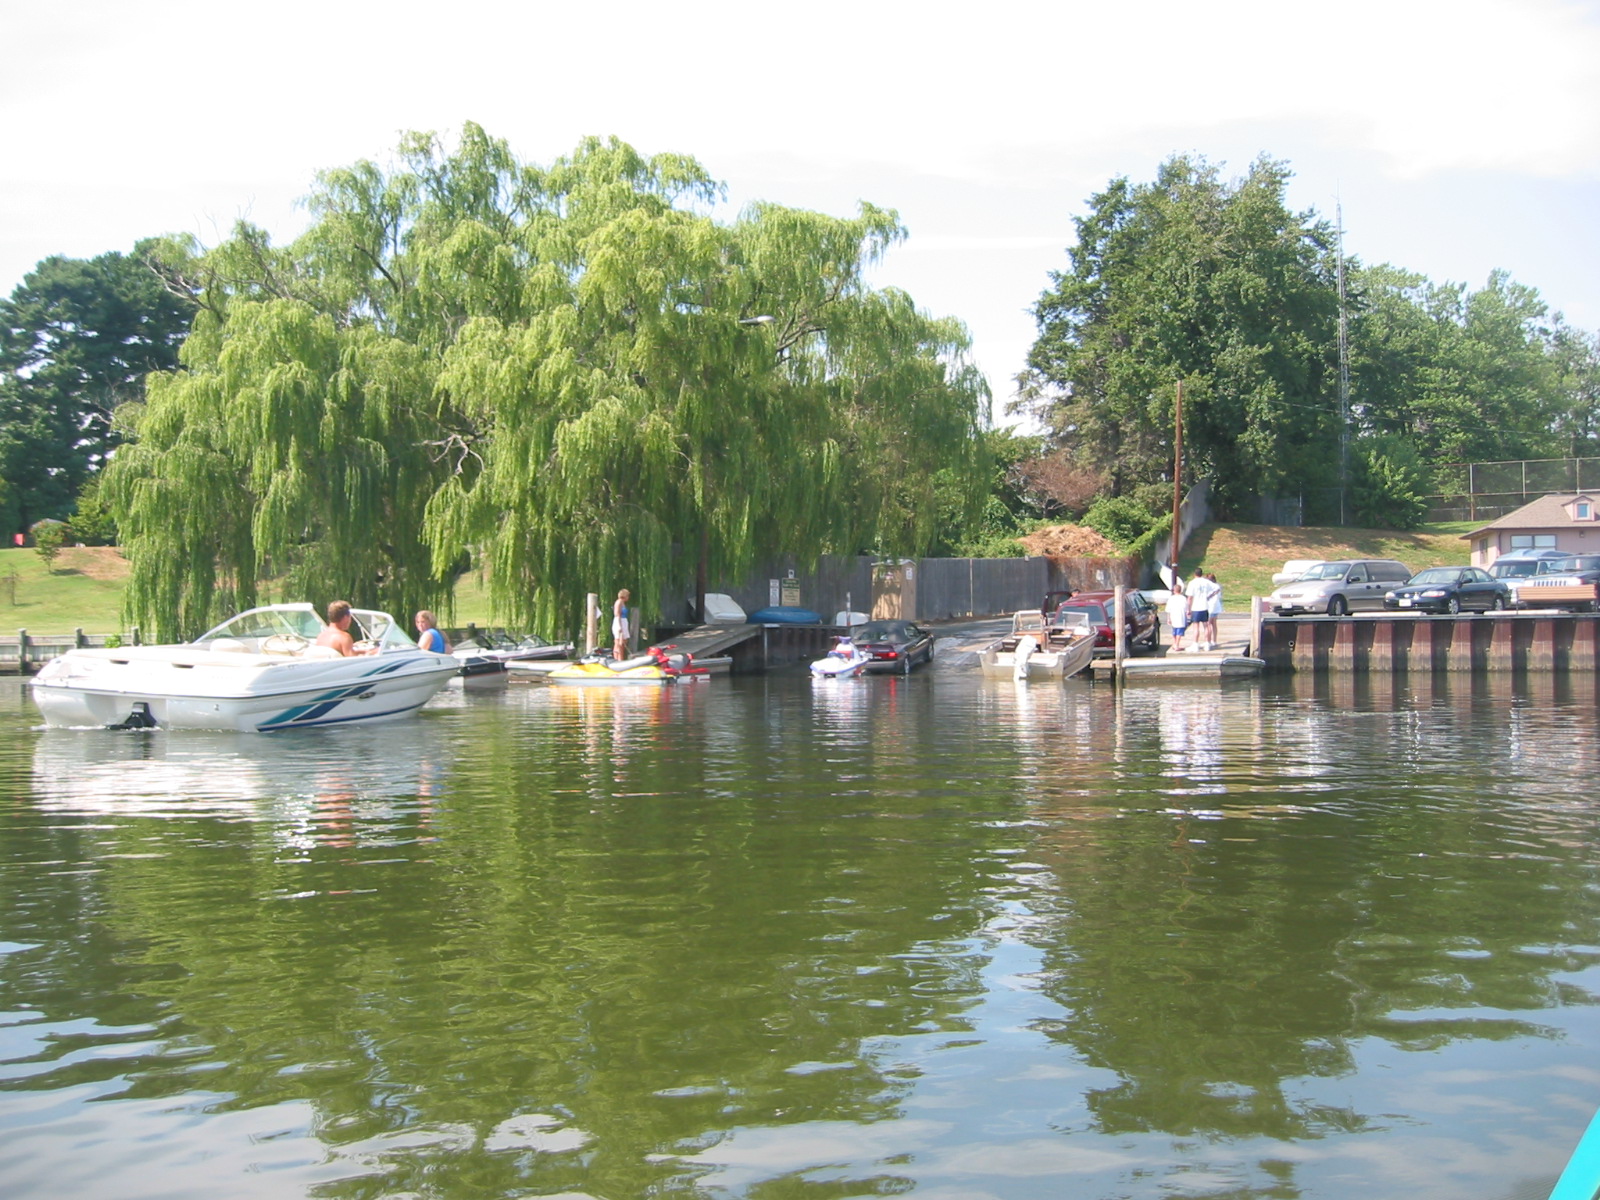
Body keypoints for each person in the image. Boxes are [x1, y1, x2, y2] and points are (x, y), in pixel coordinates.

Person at [1164, 578, 1191, 652]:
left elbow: (1168, 609)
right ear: (1181, 590)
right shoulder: (1183, 598)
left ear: (1174, 590)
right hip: (1181, 616)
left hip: (1173, 616)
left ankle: (1174, 643)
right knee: (1179, 631)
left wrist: (1168, 618)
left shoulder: (1171, 598)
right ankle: (1177, 644)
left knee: (1174, 630)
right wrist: (1188, 614)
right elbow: (1187, 608)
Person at [612, 589, 632, 661]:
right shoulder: (619, 602)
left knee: (624, 641)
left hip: (624, 622)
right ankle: (618, 659)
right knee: (618, 642)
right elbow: (617, 614)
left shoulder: (623, 603)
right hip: (619, 622)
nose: (628, 597)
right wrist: (619, 626)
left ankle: (621, 658)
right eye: (628, 595)